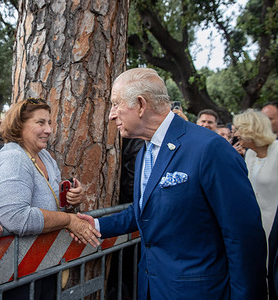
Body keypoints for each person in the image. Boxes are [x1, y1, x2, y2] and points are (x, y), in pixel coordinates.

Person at [76, 68, 267, 299]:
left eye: (116, 104)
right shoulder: (144, 153)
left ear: (140, 104)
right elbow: (145, 210)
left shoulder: (209, 149)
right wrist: (96, 225)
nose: (111, 114)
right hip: (152, 288)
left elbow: (243, 235)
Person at [0, 98, 100, 242]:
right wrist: (69, 220)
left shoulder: (44, 155)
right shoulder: (12, 158)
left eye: (49, 123)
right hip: (13, 260)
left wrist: (71, 200)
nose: (49, 130)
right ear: (19, 125)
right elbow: (17, 218)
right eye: (41, 123)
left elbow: (55, 204)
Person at [233, 109, 278, 296]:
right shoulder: (249, 155)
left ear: (251, 130)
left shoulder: (277, 150)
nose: (235, 134)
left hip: (275, 225)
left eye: (239, 129)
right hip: (257, 225)